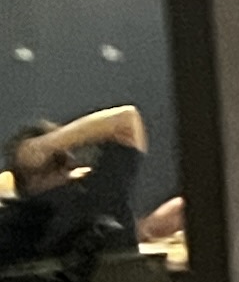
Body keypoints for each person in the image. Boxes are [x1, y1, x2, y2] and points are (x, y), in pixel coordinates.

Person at [0, 105, 155, 266]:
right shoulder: (98, 195)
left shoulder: (12, 228)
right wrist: (47, 144)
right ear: (66, 159)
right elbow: (126, 121)